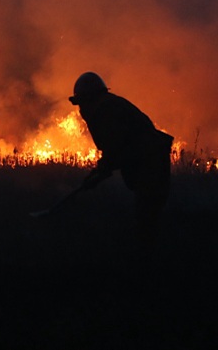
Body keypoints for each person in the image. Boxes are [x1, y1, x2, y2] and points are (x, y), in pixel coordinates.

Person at [69, 72, 173, 247]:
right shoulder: (110, 105)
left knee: (147, 216)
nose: (81, 110)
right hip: (148, 160)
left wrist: (100, 171)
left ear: (90, 98)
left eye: (82, 103)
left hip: (150, 161)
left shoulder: (106, 111)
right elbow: (117, 149)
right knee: (147, 215)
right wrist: (99, 171)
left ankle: (149, 257)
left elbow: (115, 146)